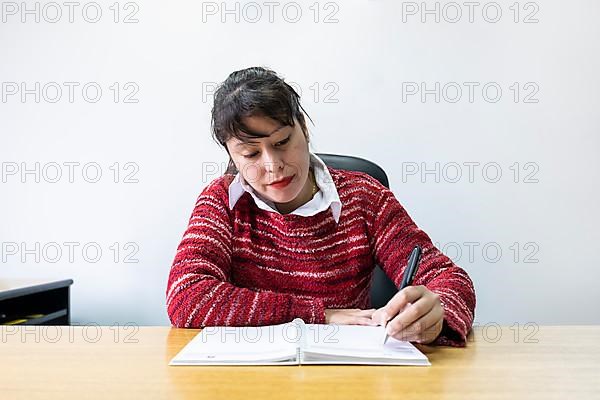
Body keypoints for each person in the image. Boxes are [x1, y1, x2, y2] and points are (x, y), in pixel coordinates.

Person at [166, 67, 476, 346]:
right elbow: (186, 297)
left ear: (304, 128)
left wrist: (437, 312)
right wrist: (318, 314)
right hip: (250, 382)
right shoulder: (221, 202)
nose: (273, 166)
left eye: (282, 142)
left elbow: (451, 280)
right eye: (250, 154)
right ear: (232, 155)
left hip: (349, 377)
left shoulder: (364, 197)